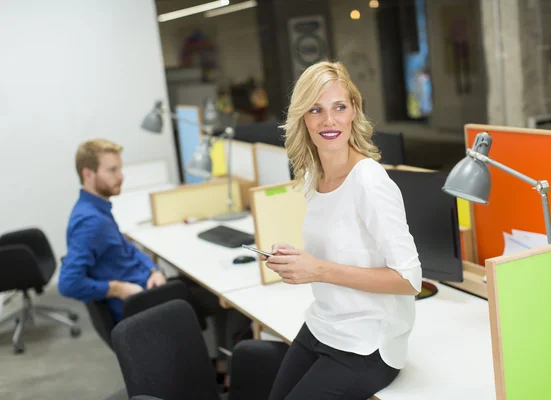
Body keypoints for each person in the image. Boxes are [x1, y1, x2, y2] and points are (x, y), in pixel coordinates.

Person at [262, 61, 422, 400]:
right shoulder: (313, 175)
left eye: (339, 107)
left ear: (354, 110)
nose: (329, 120)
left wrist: (318, 270)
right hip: (323, 324)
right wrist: (298, 260)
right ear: (303, 118)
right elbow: (338, 246)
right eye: (316, 109)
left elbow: (410, 280)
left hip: (367, 344)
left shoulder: (368, 180)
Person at [58, 139, 249, 383]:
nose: (121, 176)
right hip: (139, 306)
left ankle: (220, 370)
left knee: (207, 289)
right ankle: (230, 378)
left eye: (120, 168)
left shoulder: (97, 209)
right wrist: (118, 289)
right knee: (229, 302)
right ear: (88, 174)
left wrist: (153, 268)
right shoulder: (90, 222)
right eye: (112, 170)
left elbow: (128, 248)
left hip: (149, 288)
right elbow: (68, 283)